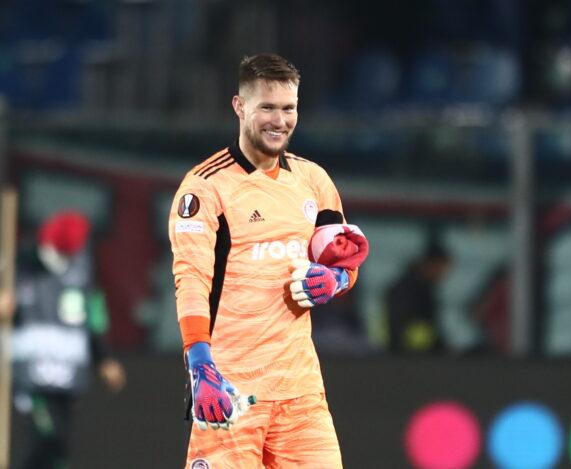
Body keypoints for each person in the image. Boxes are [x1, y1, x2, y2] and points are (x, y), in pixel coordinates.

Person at [169, 53, 368, 469]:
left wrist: (334, 281)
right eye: (267, 108)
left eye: (289, 108)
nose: (280, 121)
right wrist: (199, 364)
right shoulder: (205, 188)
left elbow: (344, 260)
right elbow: (191, 280)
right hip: (230, 390)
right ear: (240, 107)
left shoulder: (313, 180)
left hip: (301, 392)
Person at [11, 210, 126, 469]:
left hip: (65, 377)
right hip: (30, 376)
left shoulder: (82, 272)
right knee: (46, 437)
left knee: (60, 444)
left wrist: (104, 358)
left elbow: (93, 319)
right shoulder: (21, 266)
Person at [387, 238, 451, 354]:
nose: (443, 273)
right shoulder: (406, 290)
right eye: (441, 267)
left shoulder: (424, 288)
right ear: (430, 264)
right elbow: (398, 326)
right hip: (408, 355)